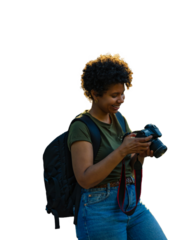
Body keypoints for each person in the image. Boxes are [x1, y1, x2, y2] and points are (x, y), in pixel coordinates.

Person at [69, 51, 169, 239]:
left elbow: (130, 166)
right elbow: (85, 179)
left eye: (123, 93)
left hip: (129, 198)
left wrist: (140, 153)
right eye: (114, 95)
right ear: (95, 94)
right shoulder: (81, 126)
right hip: (98, 205)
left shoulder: (120, 119)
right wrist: (123, 149)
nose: (122, 99)